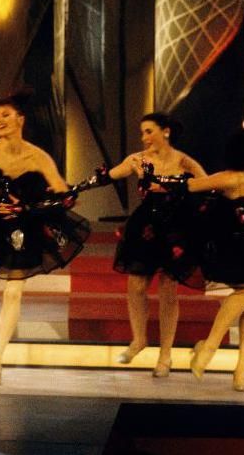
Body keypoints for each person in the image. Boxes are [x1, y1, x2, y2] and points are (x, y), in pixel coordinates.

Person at [0, 89, 90, 385]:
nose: (0, 119)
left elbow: (59, 186)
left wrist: (66, 196)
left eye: (6, 114)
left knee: (14, 292)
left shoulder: (37, 156)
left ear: (20, 119)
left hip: (23, 227)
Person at [80, 112, 206, 377]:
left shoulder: (184, 161)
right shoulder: (137, 160)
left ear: (166, 131)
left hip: (174, 228)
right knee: (136, 284)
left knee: (168, 289)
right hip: (145, 226)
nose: (144, 137)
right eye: (143, 132)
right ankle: (139, 339)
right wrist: (74, 189)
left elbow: (207, 185)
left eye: (149, 131)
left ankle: (166, 354)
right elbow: (109, 176)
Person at [146, 128, 244, 391]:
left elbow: (188, 185)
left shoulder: (230, 178)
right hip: (233, 250)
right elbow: (189, 185)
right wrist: (155, 180)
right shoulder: (230, 179)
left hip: (239, 248)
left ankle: (240, 371)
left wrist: (160, 181)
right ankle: (210, 346)